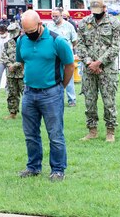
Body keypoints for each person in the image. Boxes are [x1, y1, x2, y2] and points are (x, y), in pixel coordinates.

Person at [16, 10, 74, 181]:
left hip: (51, 93)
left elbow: (69, 65)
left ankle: (58, 169)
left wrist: (60, 87)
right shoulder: (22, 40)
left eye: (32, 32)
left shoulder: (57, 41)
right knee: (30, 134)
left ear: (40, 24)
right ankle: (33, 167)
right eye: (27, 32)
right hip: (29, 93)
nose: (30, 35)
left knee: (55, 134)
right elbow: (22, 61)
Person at [77, 0, 120, 142]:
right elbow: (80, 45)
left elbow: (115, 46)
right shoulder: (84, 23)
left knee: (109, 101)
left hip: (107, 70)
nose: (96, 14)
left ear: (104, 8)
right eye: (93, 11)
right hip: (89, 69)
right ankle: (92, 130)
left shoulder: (114, 23)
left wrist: (100, 62)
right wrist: (90, 62)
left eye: (99, 10)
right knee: (90, 101)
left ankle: (110, 131)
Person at [47, 7, 78, 107]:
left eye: (56, 16)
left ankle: (71, 99)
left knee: (69, 77)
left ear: (61, 15)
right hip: (53, 56)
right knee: (54, 78)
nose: (54, 18)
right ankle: (55, 98)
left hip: (65, 56)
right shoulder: (49, 26)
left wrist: (71, 52)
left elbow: (74, 41)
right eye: (52, 16)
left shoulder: (69, 26)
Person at [0, 23, 24, 120]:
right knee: (12, 94)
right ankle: (12, 112)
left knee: (26, 94)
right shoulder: (7, 43)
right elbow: (3, 56)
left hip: (23, 73)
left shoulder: (24, 42)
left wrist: (15, 65)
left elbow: (26, 56)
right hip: (11, 74)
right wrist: (9, 65)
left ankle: (30, 113)